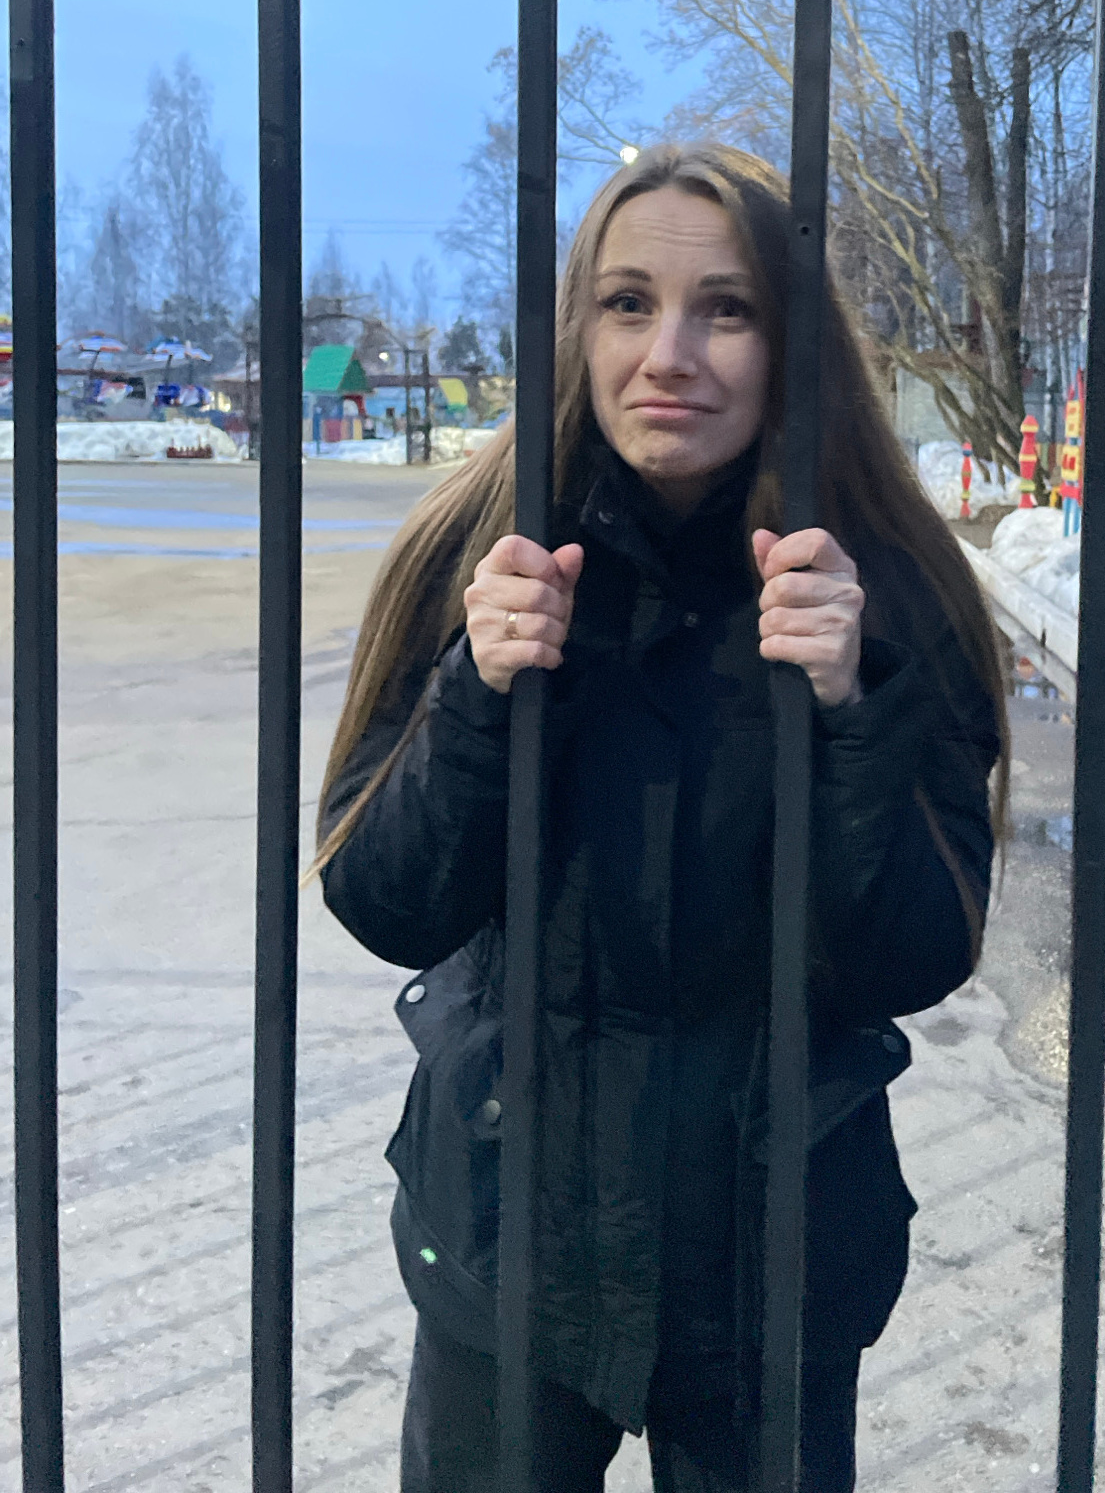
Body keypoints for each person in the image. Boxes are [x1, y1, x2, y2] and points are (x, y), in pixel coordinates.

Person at [315, 142, 1007, 1492]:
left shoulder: (886, 585)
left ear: (790, 340)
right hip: (509, 1237)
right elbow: (382, 898)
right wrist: (481, 693)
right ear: (577, 327)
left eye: (725, 309)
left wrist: (853, 709)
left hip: (773, 1261)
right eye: (627, 302)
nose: (669, 354)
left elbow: (919, 952)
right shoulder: (475, 554)